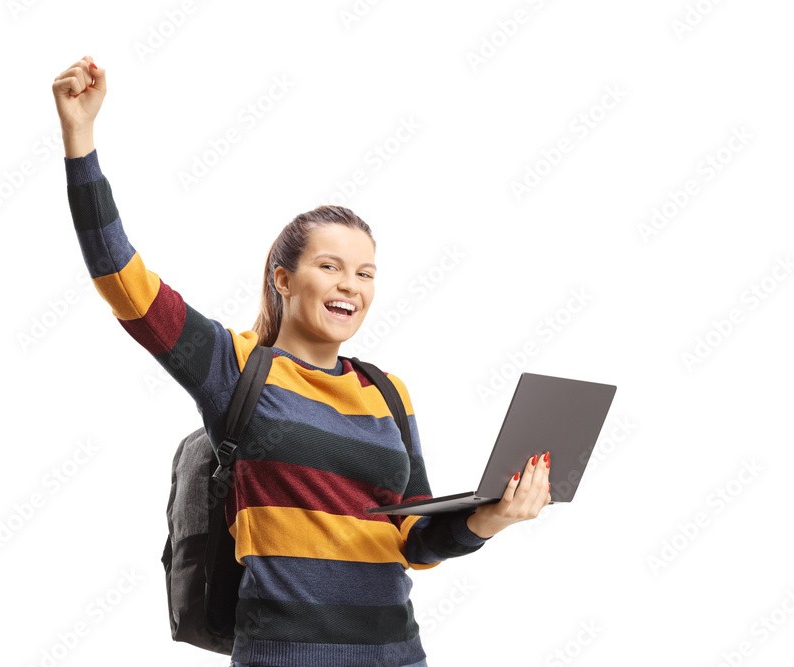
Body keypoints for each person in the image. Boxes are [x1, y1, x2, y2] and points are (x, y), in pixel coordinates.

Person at [52, 55, 553, 667]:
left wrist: (495, 516)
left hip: (399, 656)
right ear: (284, 279)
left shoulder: (387, 394)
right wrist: (81, 141)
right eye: (330, 266)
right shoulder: (234, 369)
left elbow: (416, 542)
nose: (351, 285)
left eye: (365, 273)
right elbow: (120, 278)